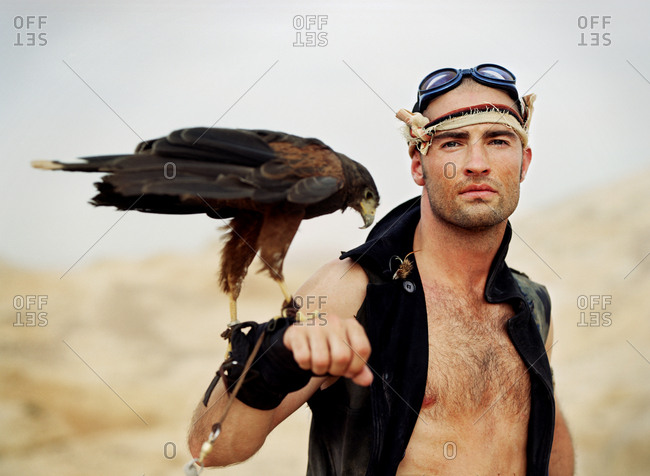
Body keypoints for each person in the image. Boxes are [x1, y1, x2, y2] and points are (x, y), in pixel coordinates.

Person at [188, 64, 574, 475]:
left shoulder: (532, 304)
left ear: (524, 161)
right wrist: (270, 364)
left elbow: (546, 441)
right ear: (417, 164)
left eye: (498, 140)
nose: (476, 163)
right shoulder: (349, 291)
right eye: (451, 143)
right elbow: (209, 448)